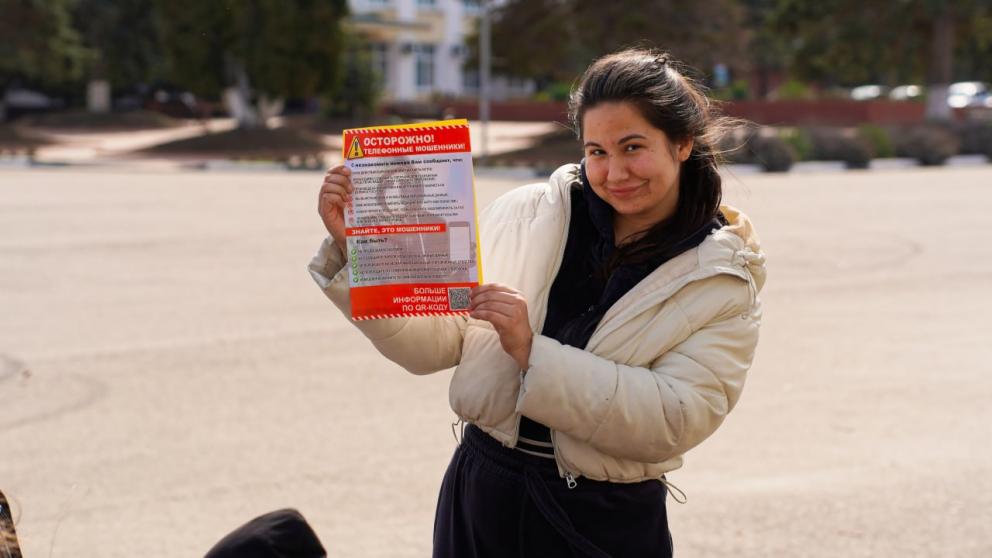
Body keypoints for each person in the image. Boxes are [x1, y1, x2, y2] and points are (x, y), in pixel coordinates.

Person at [309, 48, 766, 558]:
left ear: (682, 144)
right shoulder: (525, 213)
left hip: (601, 518)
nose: (615, 172)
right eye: (597, 151)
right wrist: (363, 252)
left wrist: (533, 352)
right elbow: (432, 348)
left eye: (632, 147)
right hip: (480, 494)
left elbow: (675, 418)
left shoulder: (722, 274)